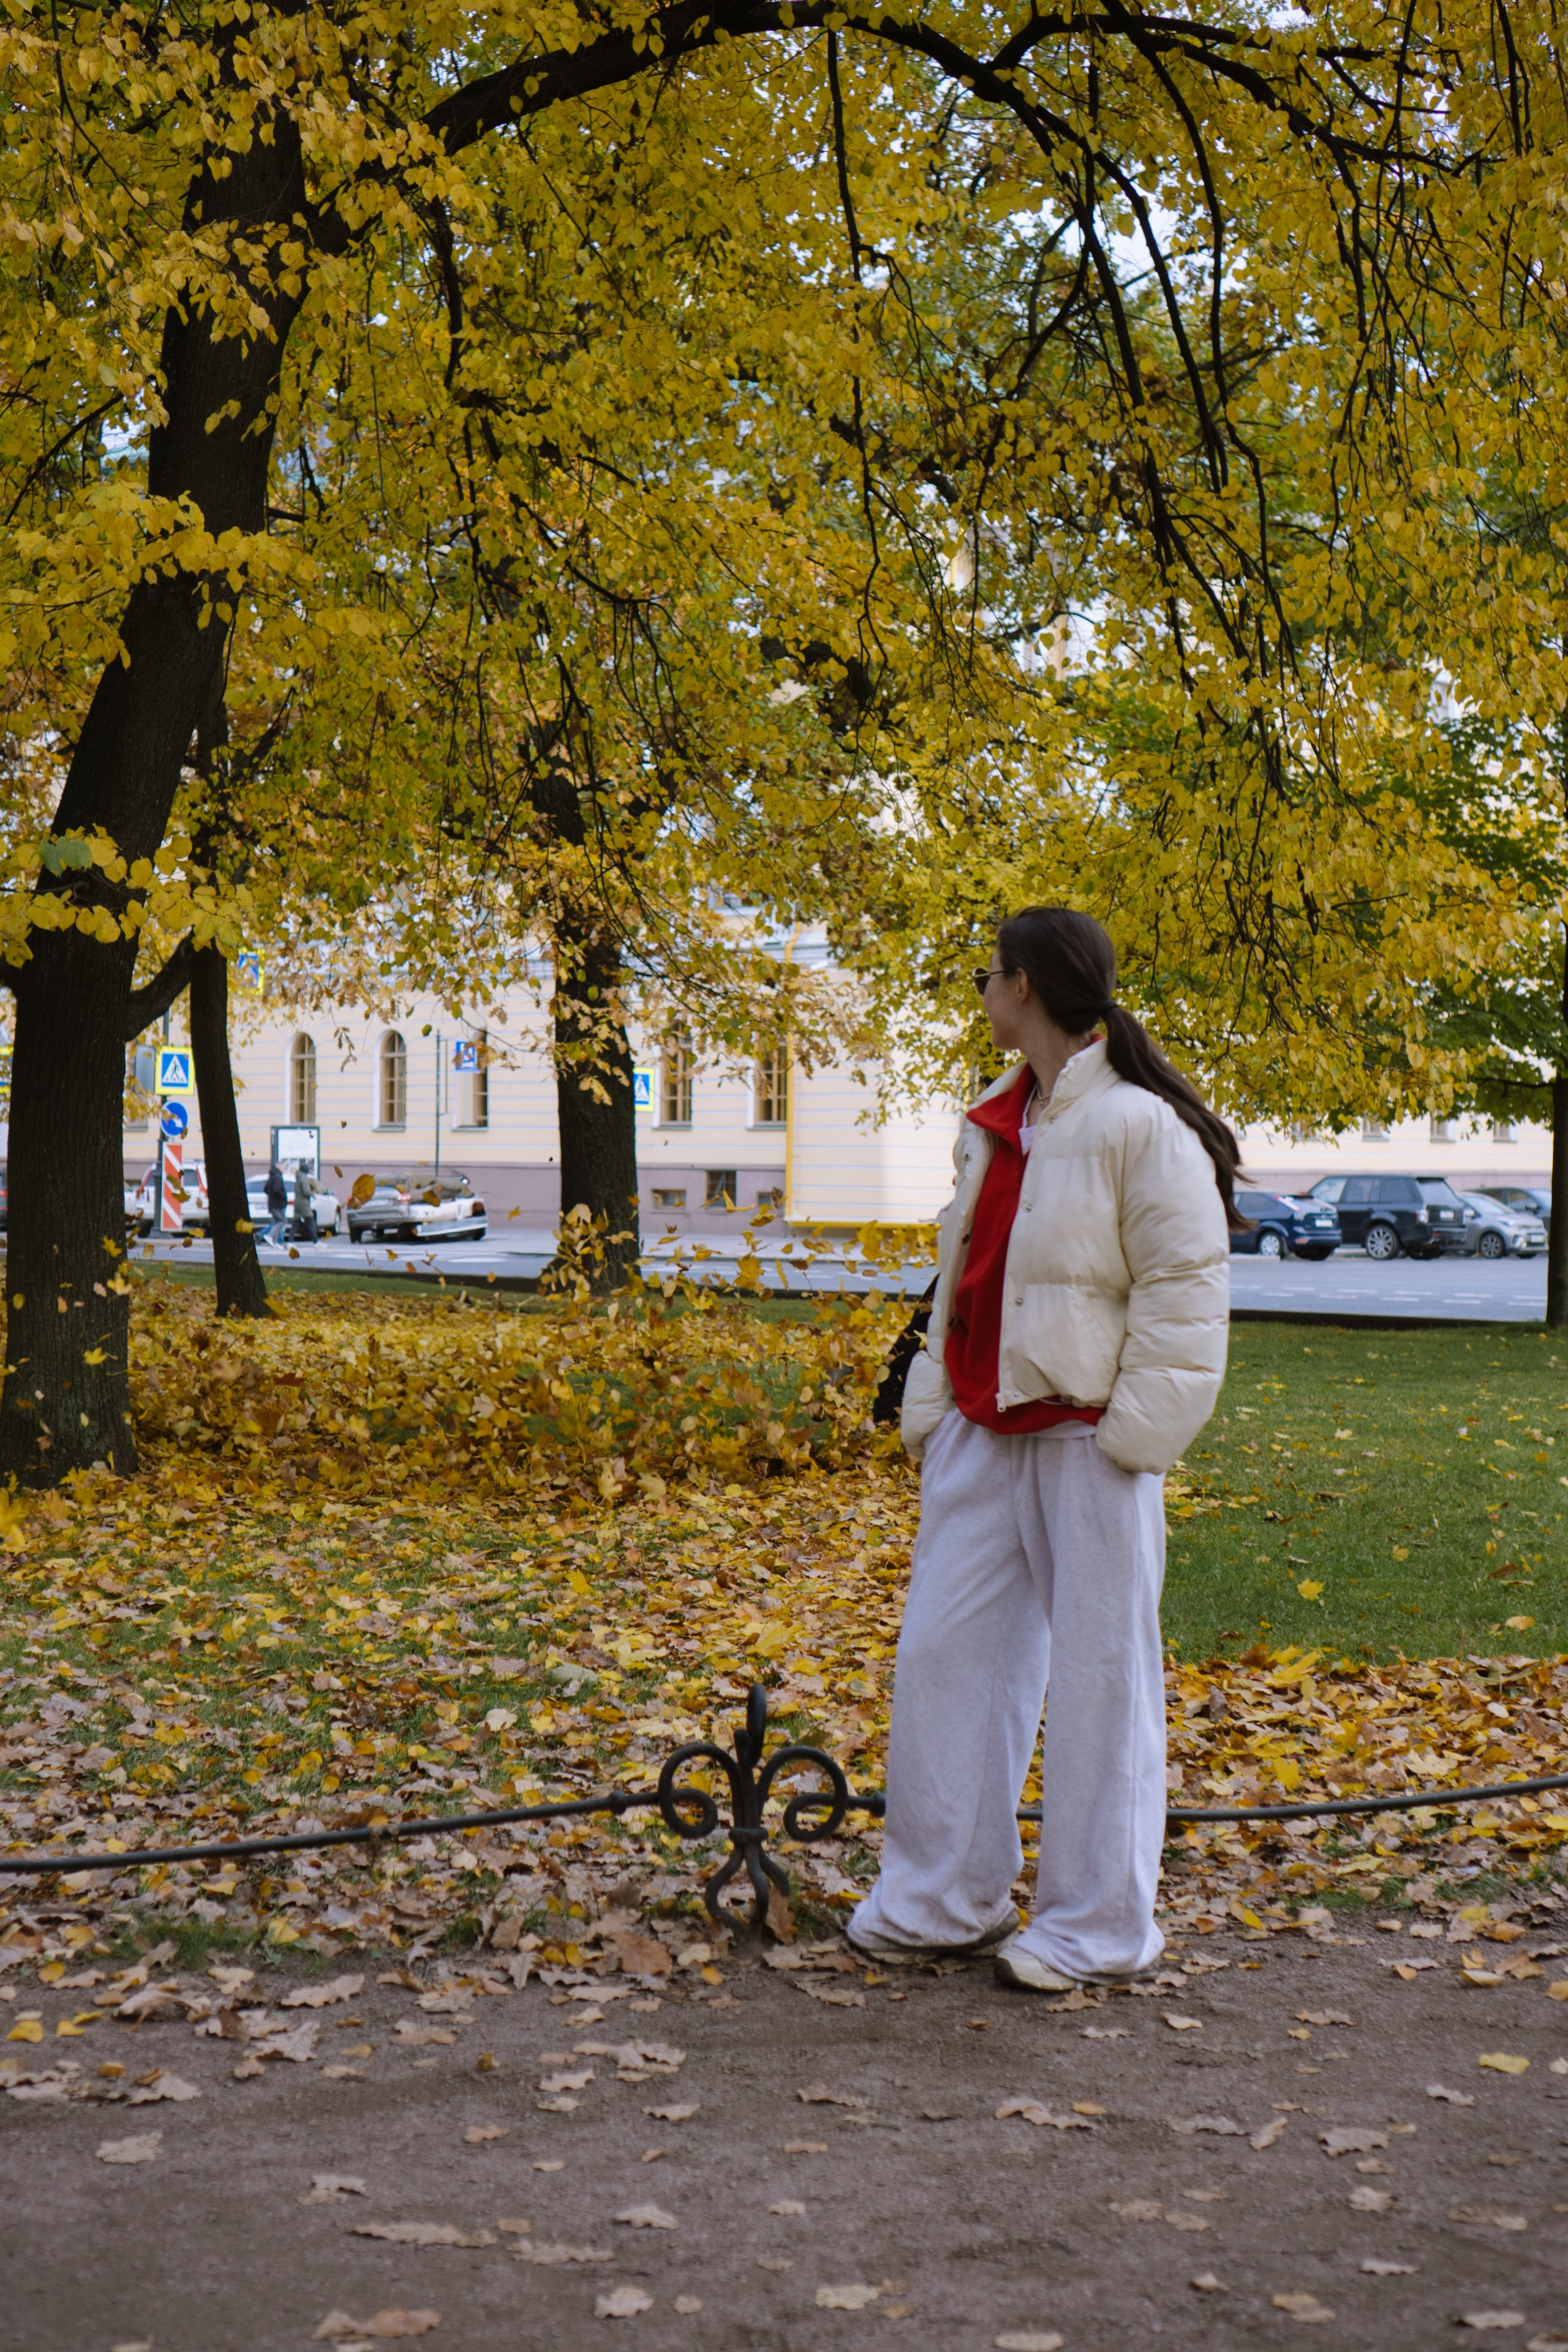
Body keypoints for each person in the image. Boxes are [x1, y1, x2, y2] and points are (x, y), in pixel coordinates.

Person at [848, 907, 1239, 1992]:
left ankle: (1094, 1926)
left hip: (1086, 1442)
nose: (981, 989)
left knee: (1105, 1679)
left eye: (988, 973)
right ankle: (940, 1899)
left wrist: (1136, 1440)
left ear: (1023, 988)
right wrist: (933, 1410)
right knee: (944, 1661)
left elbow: (1186, 1291)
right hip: (982, 1428)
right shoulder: (995, 1119)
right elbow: (966, 1283)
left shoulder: (1139, 1126)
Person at [292, 1160, 320, 1244]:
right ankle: (316, 1242)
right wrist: (313, 1194)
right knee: (310, 1223)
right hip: (304, 1204)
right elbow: (306, 1192)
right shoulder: (304, 1179)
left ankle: (290, 1241)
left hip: (298, 1204)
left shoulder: (298, 1178)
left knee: (295, 1224)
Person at [263, 1163, 287, 1245]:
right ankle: (270, 1236)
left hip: (272, 1204)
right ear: (279, 1167)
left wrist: (271, 1197)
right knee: (282, 1221)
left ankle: (276, 1242)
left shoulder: (272, 1176)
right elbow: (276, 1189)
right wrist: (283, 1197)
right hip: (278, 1204)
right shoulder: (278, 1177)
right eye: (284, 1167)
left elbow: (265, 1189)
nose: (285, 1169)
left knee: (275, 1222)